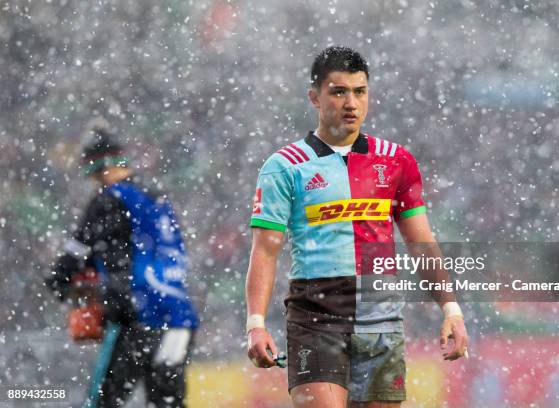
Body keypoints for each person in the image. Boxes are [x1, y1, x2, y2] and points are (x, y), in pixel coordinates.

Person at [245, 46, 469, 408]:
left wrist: (451, 311)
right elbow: (266, 250)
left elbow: (421, 243)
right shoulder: (284, 166)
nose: (351, 102)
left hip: (381, 314)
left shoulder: (396, 160)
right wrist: (255, 322)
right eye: (338, 91)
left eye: (359, 92)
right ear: (314, 97)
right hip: (316, 314)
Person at [45, 128, 199, 408]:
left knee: (105, 401)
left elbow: (79, 249)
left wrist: (59, 281)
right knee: (167, 403)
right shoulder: (157, 199)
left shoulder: (109, 199)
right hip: (179, 318)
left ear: (99, 168)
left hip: (138, 316)